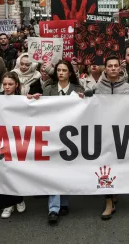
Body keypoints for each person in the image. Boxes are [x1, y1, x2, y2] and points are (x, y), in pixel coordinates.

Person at [29, 60, 84, 225]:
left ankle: (64, 203)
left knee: (66, 169)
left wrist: (85, 99)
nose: (60, 73)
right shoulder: (48, 89)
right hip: (52, 135)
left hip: (71, 137)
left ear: (70, 73)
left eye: (64, 70)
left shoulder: (79, 90)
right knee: (53, 171)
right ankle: (53, 208)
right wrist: (36, 99)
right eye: (58, 70)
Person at [84, 56, 129, 220]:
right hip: (103, 135)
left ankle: (115, 192)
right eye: (110, 66)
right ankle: (108, 202)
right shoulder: (97, 87)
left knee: (118, 165)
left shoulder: (128, 88)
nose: (113, 68)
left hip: (121, 134)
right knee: (104, 166)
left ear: (120, 68)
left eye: (116, 66)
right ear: (104, 69)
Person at [0, 72, 26, 218]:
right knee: (1, 171)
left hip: (17, 139)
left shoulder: (23, 99)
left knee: (17, 170)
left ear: (16, 85)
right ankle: (6, 204)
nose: (7, 87)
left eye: (10, 84)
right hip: (0, 139)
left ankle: (19, 199)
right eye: (5, 84)